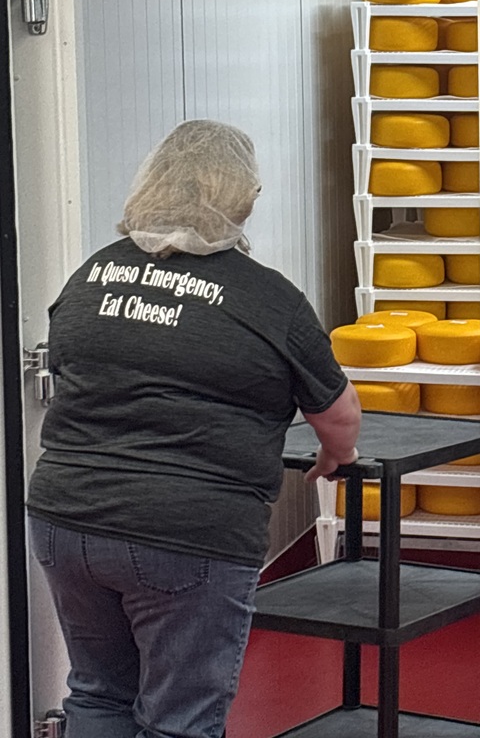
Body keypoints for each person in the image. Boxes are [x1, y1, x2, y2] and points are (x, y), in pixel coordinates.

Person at [26, 119, 361, 738]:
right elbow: (338, 417)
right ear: (243, 198)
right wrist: (335, 457)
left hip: (65, 520)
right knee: (179, 718)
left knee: (98, 695)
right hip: (187, 534)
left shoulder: (92, 275)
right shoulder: (268, 299)